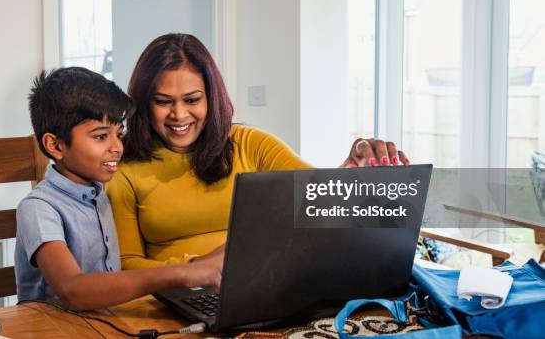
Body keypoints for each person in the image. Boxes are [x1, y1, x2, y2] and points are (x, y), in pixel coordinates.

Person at [106, 33, 409, 270]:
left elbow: (319, 194)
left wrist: (351, 168)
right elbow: (128, 265)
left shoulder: (250, 144)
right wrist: (197, 267)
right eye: (163, 101)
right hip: (174, 297)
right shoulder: (125, 168)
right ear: (144, 103)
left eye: (192, 99)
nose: (179, 114)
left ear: (211, 97)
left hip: (263, 284)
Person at [14, 67, 223, 311]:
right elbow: (74, 290)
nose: (117, 147)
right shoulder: (39, 208)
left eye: (119, 134)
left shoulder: (100, 195)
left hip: (104, 323)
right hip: (52, 329)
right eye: (101, 136)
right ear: (55, 145)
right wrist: (180, 274)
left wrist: (207, 264)